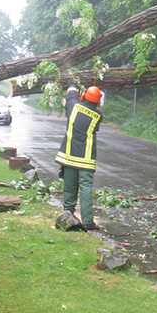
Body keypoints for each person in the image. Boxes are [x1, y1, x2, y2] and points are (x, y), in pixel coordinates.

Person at [55, 83, 103, 231]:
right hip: (86, 160)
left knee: (69, 187)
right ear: (98, 102)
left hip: (69, 157)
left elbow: (70, 96)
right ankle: (88, 221)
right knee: (86, 189)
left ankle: (68, 215)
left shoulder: (74, 107)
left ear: (83, 96)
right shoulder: (98, 116)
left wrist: (72, 85)